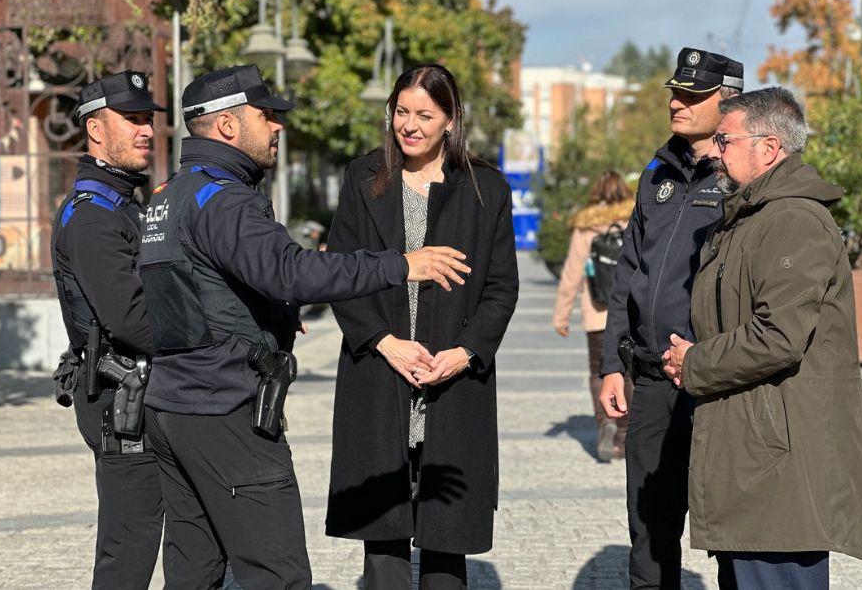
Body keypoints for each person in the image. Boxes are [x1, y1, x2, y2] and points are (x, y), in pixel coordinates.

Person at [137, 64, 472, 589]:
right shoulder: (224, 200)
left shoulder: (170, 194)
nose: (278, 127)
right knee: (279, 574)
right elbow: (289, 270)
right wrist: (402, 263)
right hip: (223, 409)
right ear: (228, 125)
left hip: (172, 407)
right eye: (266, 115)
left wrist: (278, 314)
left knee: (194, 570)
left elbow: (197, 294)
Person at [662, 87, 862, 588]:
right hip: (752, 452)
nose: (715, 151)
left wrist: (694, 362)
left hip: (779, 460)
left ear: (770, 147)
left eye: (725, 139)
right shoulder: (752, 218)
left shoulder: (792, 221)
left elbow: (778, 336)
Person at [325, 64, 519, 589]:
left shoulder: (487, 190)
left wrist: (464, 353)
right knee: (382, 539)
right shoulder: (364, 178)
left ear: (451, 121)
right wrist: (385, 343)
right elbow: (340, 273)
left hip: (453, 382)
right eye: (401, 112)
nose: (409, 125)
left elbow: (502, 289)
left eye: (424, 115)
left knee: (446, 537)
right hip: (380, 372)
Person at [597, 48, 744, 589]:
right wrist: (612, 362)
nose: (676, 103)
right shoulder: (656, 170)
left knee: (731, 530)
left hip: (715, 384)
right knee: (649, 530)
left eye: (692, 95)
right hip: (654, 379)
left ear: (726, 102)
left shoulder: (740, 177)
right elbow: (627, 271)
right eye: (674, 92)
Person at [50, 70, 166, 589]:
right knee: (128, 549)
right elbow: (133, 321)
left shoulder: (121, 203)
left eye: (148, 120)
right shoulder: (95, 216)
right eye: (133, 119)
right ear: (96, 129)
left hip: (137, 392)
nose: (146, 130)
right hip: (120, 400)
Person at [552, 171, 635, 461]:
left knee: (598, 371)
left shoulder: (587, 224)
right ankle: (624, 434)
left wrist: (561, 316)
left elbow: (573, 273)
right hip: (630, 311)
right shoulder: (636, 217)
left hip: (597, 314)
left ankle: (605, 424)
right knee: (627, 371)